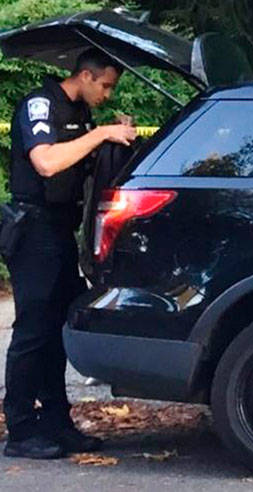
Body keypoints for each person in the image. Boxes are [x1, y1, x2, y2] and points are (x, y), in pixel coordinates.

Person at [2, 50, 136, 460]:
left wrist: (112, 135)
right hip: (33, 229)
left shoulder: (81, 113)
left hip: (60, 229)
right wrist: (99, 136)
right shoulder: (39, 105)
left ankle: (57, 422)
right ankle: (21, 429)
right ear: (85, 75)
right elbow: (46, 162)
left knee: (56, 330)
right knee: (32, 331)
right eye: (106, 85)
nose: (108, 94)